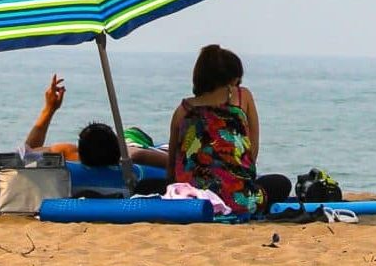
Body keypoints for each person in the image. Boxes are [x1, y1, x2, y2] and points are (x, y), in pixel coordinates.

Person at [167, 44, 291, 216]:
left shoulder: (183, 110)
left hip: (191, 199)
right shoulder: (242, 97)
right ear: (233, 80)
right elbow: (251, 153)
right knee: (281, 183)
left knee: (147, 185)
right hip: (238, 198)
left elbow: (172, 165)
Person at [25, 74, 170, 169]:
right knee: (134, 132)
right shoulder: (132, 155)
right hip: (133, 140)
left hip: (121, 144)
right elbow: (175, 163)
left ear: (80, 152)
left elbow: (26, 154)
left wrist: (49, 109)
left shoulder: (69, 154)